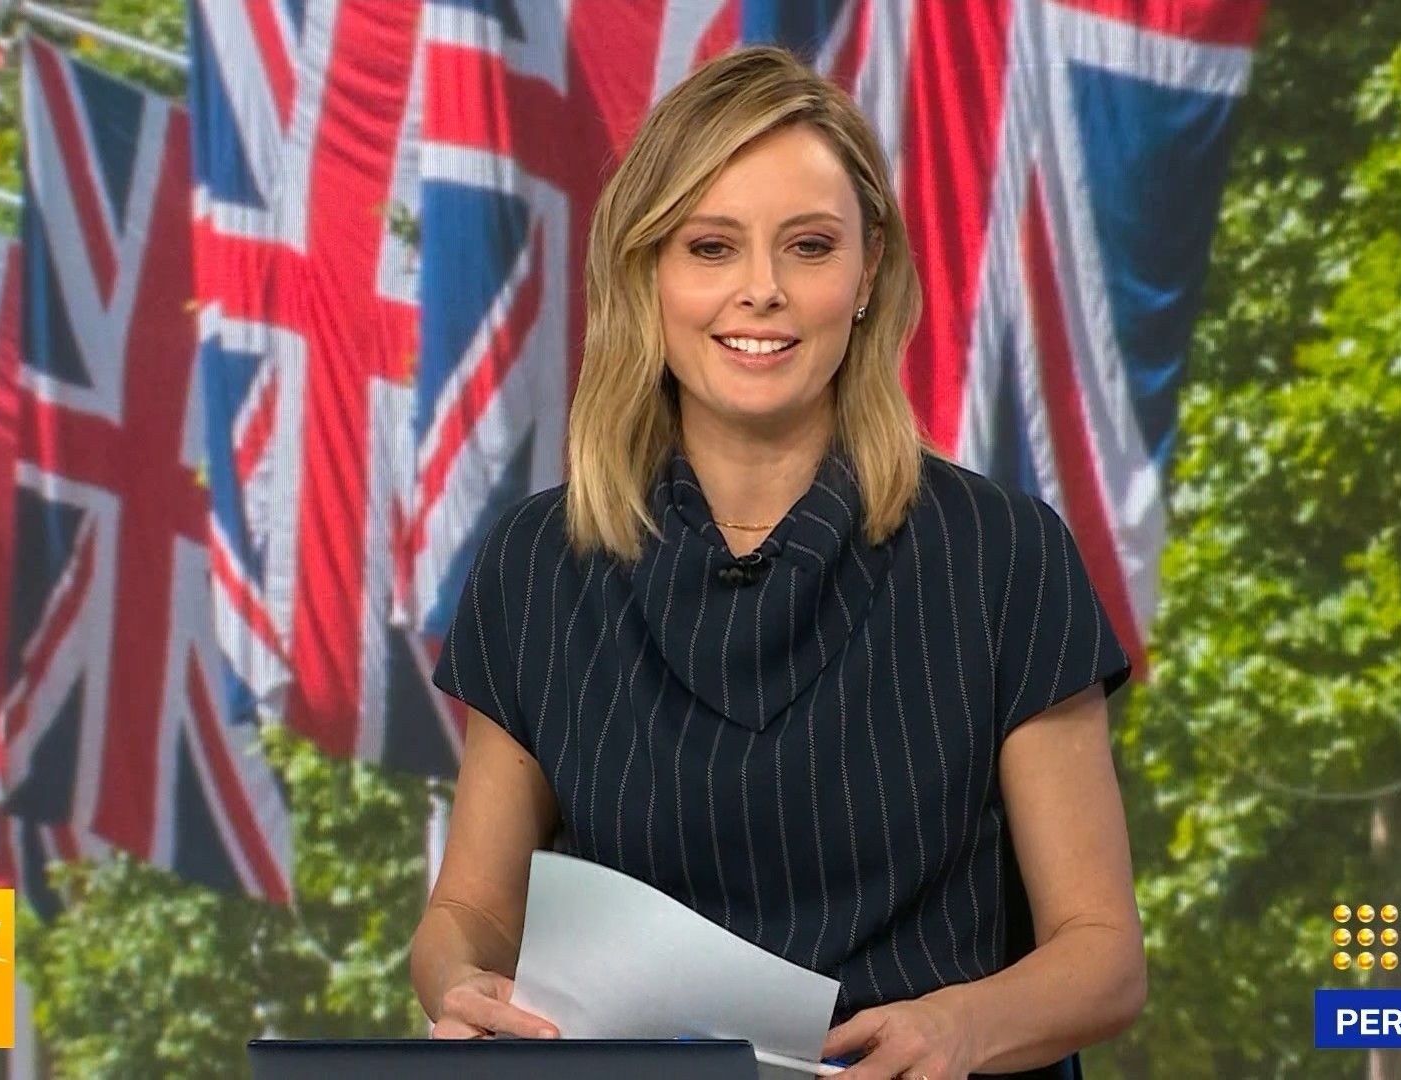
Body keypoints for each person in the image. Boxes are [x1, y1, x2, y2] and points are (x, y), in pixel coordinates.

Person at [409, 45, 1144, 1080]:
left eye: (808, 247)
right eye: (711, 247)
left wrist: (960, 1028)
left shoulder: (1005, 554)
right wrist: (457, 979)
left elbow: (1102, 956)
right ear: (647, 271)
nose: (761, 291)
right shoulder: (538, 563)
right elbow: (471, 911)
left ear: (867, 270)